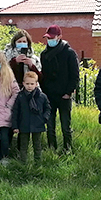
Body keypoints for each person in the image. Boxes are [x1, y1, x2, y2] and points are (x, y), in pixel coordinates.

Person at [39, 25, 79, 153]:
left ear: (59, 37)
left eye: (52, 38)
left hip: (64, 95)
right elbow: (43, 75)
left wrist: (68, 92)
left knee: (65, 125)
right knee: (50, 125)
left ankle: (67, 149)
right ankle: (52, 149)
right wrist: (44, 92)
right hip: (49, 95)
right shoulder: (44, 54)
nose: (49, 40)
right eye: (47, 38)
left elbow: (75, 75)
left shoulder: (69, 53)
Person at [11, 72, 51, 163]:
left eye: (32, 84)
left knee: (37, 145)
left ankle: (38, 163)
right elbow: (15, 111)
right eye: (27, 84)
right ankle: (23, 163)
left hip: (38, 124)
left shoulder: (42, 97)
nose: (29, 86)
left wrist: (44, 118)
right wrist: (15, 126)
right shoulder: (20, 97)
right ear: (23, 83)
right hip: (24, 125)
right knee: (23, 145)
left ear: (36, 84)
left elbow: (48, 108)